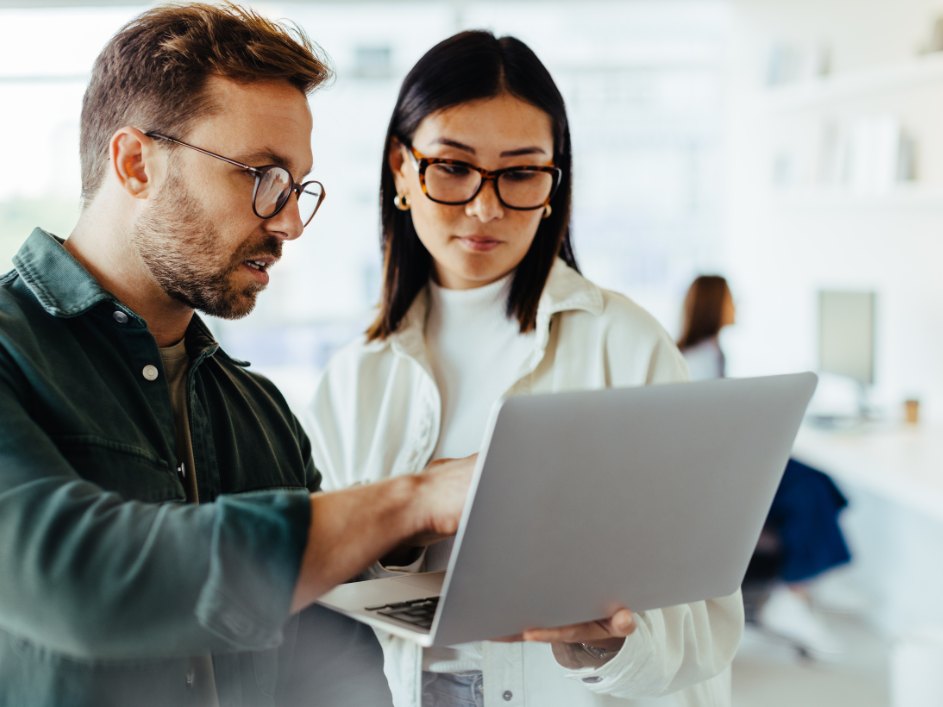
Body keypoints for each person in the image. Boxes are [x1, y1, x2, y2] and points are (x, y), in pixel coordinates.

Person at [0, 5, 479, 706]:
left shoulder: (259, 412)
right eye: (260, 174)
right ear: (135, 162)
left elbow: (332, 666)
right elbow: (79, 577)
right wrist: (409, 500)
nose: (286, 222)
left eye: (295, 188)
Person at [305, 31, 744, 707]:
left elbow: (706, 623)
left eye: (518, 172)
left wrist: (602, 643)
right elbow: (324, 594)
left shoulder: (623, 343)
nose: (485, 206)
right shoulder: (352, 378)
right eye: (452, 166)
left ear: (551, 183)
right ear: (400, 167)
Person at [677, 275, 851, 656]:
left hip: (729, 464)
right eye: (731, 300)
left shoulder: (709, 351)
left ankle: (812, 576)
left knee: (822, 483)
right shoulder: (700, 359)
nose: (737, 306)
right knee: (809, 492)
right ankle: (797, 589)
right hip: (718, 477)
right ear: (714, 306)